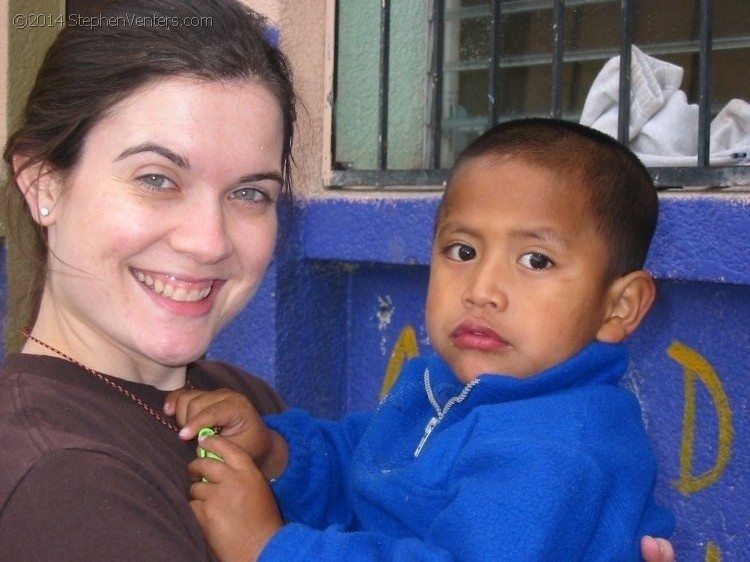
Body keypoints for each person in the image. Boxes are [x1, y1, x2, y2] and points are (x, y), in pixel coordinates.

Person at [170, 118, 676, 561]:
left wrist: (270, 547)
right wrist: (279, 453)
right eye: (461, 250)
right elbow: (369, 464)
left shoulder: (558, 450)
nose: (482, 291)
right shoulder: (449, 386)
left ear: (619, 307)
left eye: (535, 261)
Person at [0, 0, 297, 559]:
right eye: (157, 179)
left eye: (250, 193)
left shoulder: (241, 404)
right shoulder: (64, 484)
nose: (209, 241)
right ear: (43, 186)